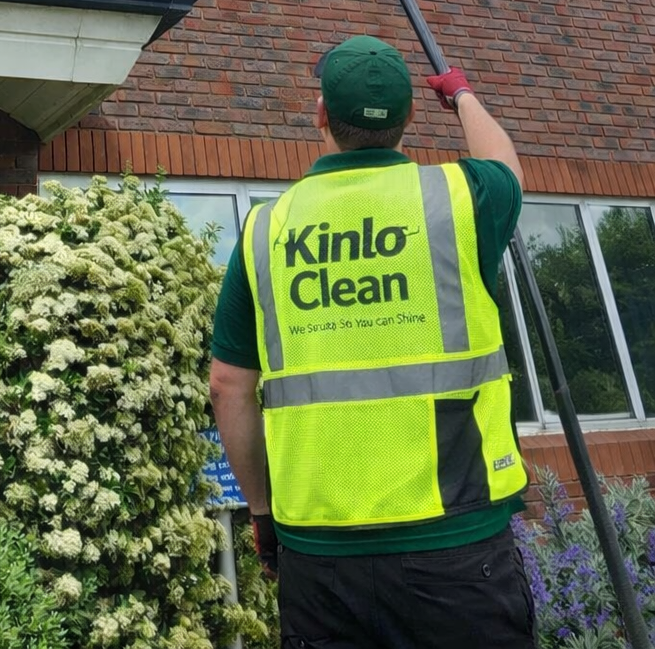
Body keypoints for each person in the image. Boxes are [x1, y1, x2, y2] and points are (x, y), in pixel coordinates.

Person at [209, 35, 535, 649]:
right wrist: (461, 94)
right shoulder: (462, 199)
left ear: (322, 116)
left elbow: (228, 386)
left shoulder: (264, 232)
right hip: (457, 544)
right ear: (411, 118)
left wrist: (261, 510)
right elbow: (507, 167)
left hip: (320, 557)